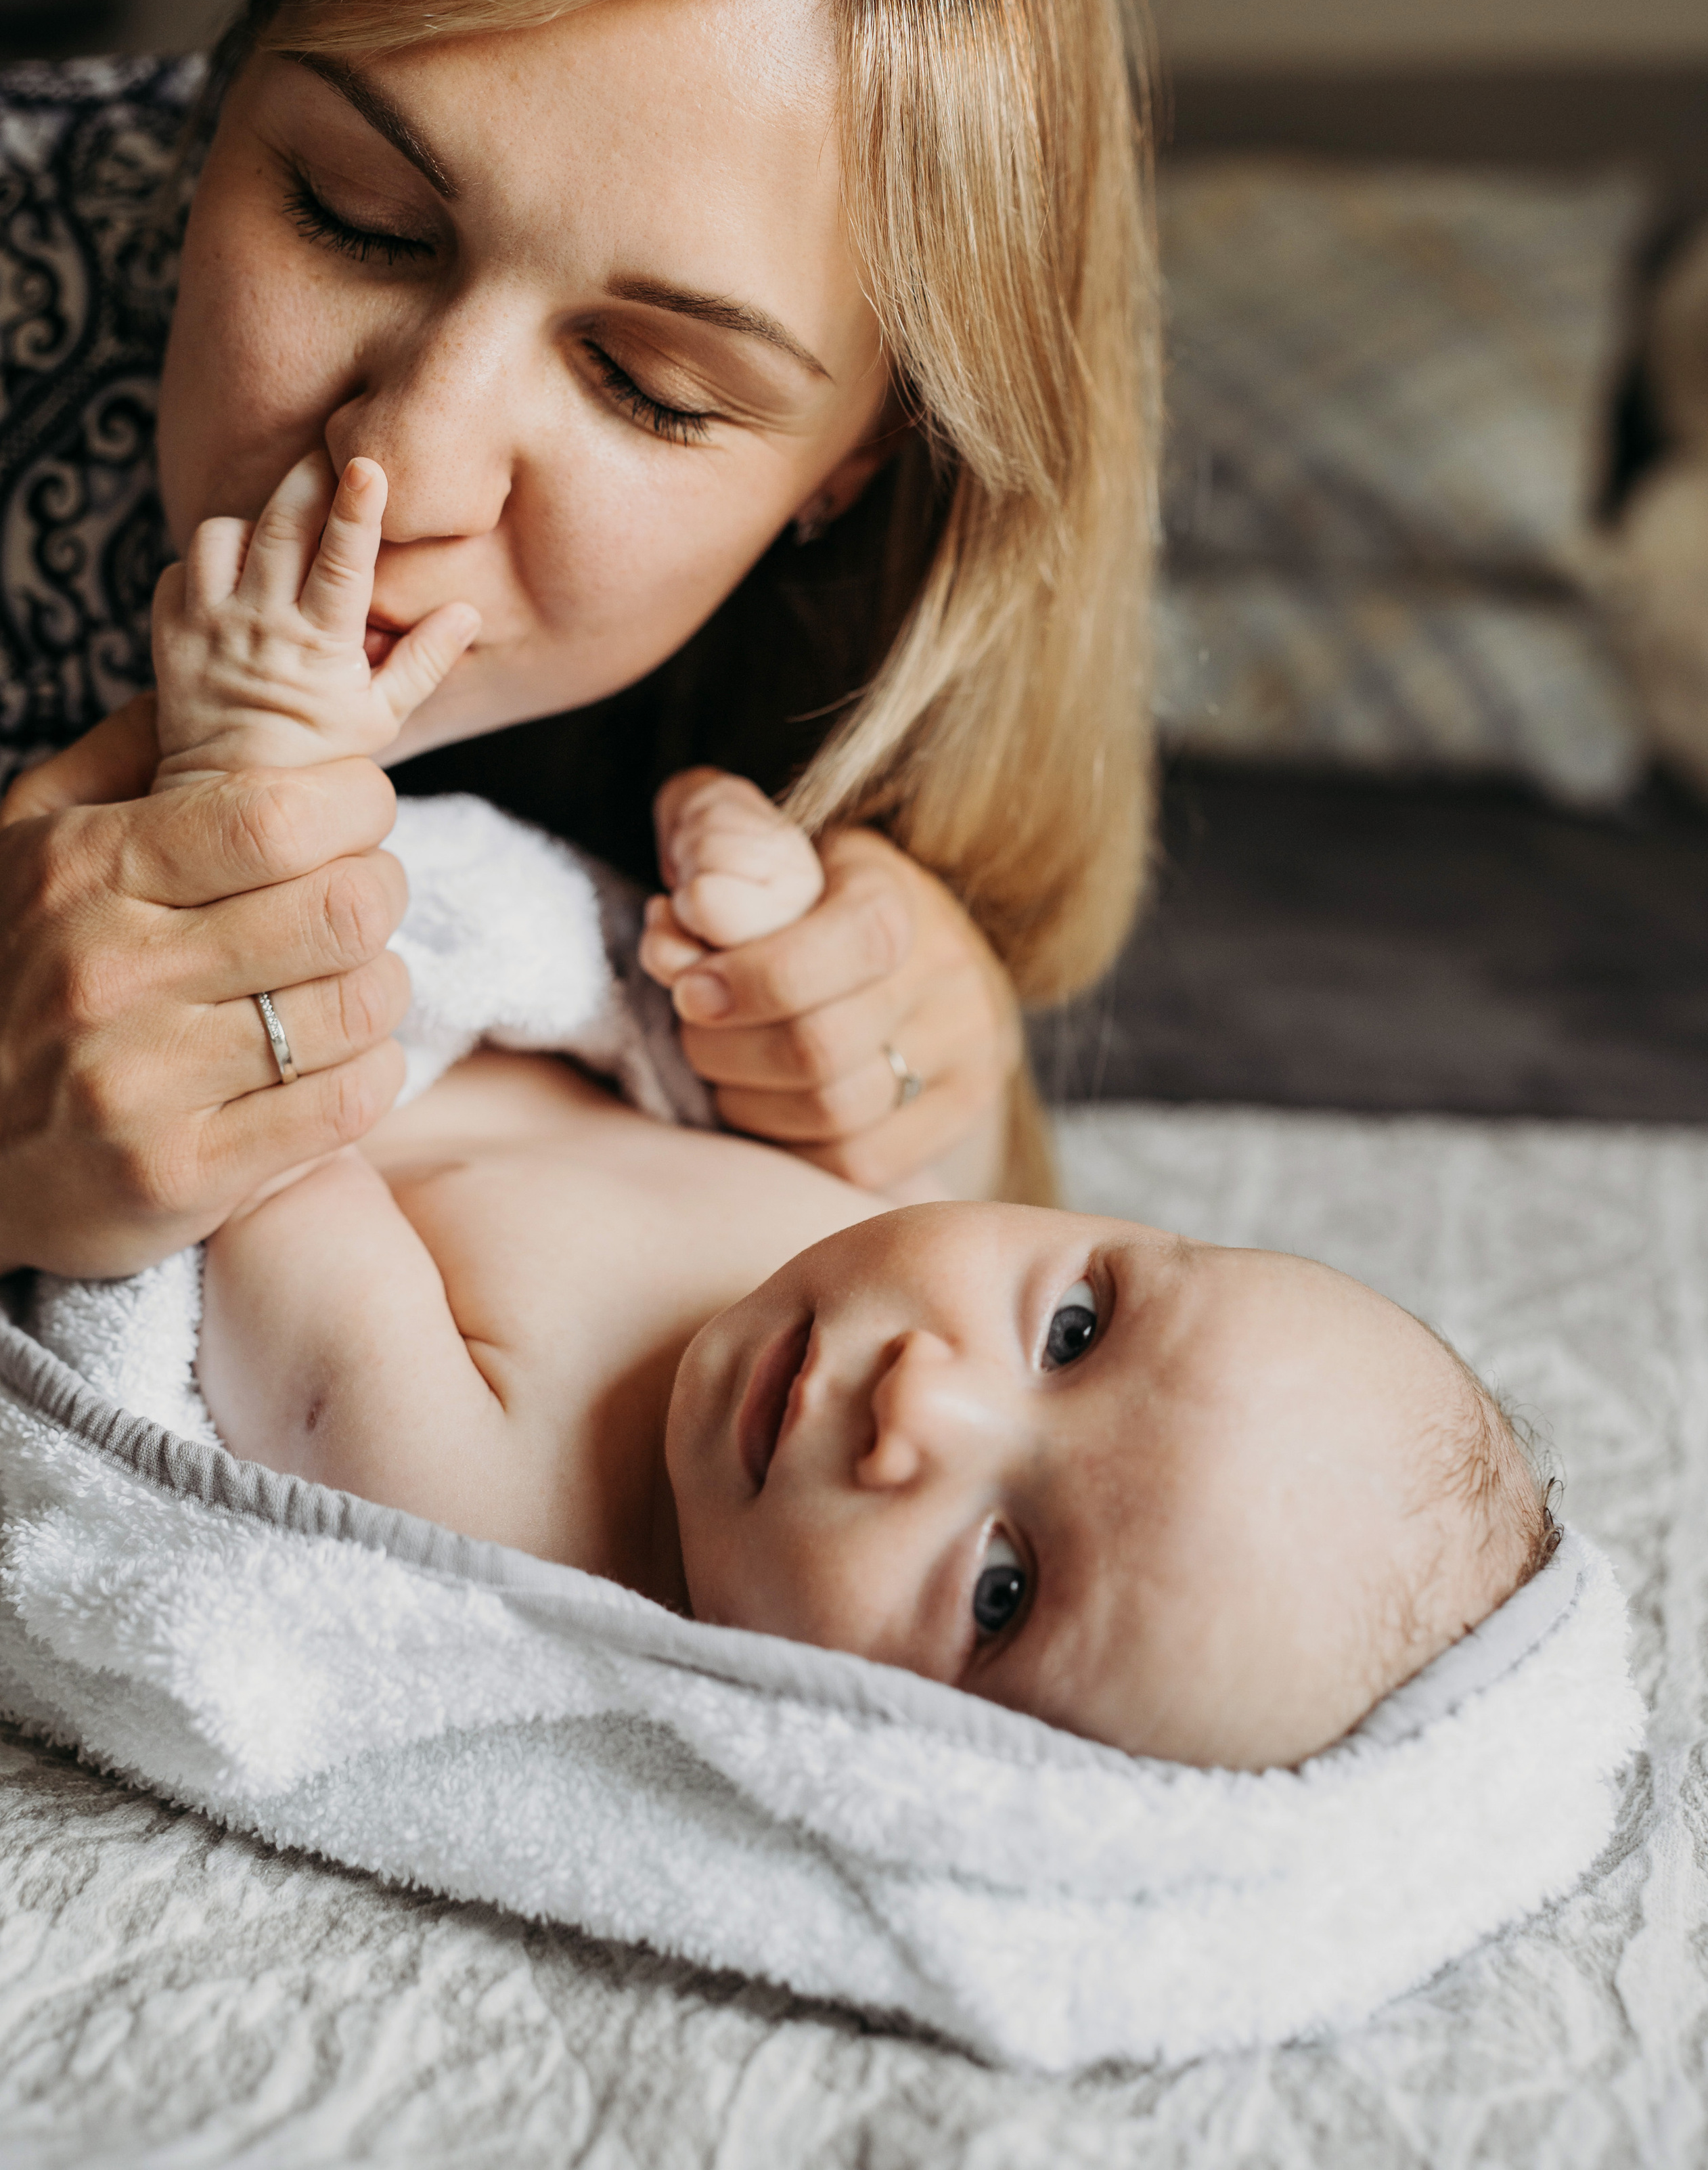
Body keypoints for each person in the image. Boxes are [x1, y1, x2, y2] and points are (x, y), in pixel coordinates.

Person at [0, 0, 1155, 1281]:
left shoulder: (855, 687)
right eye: (358, 216)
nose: (404, 467)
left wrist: (930, 1079)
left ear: (862, 461)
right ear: (226, 91)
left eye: (648, 386)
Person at [177, 449, 1546, 1771]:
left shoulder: (488, 1503)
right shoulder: (884, 1233)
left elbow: (233, 1124)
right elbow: (804, 1069)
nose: (925, 1398)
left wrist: (251, 781)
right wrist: (757, 927)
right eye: (1073, 1330)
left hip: (286, 987)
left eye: (999, 1592)